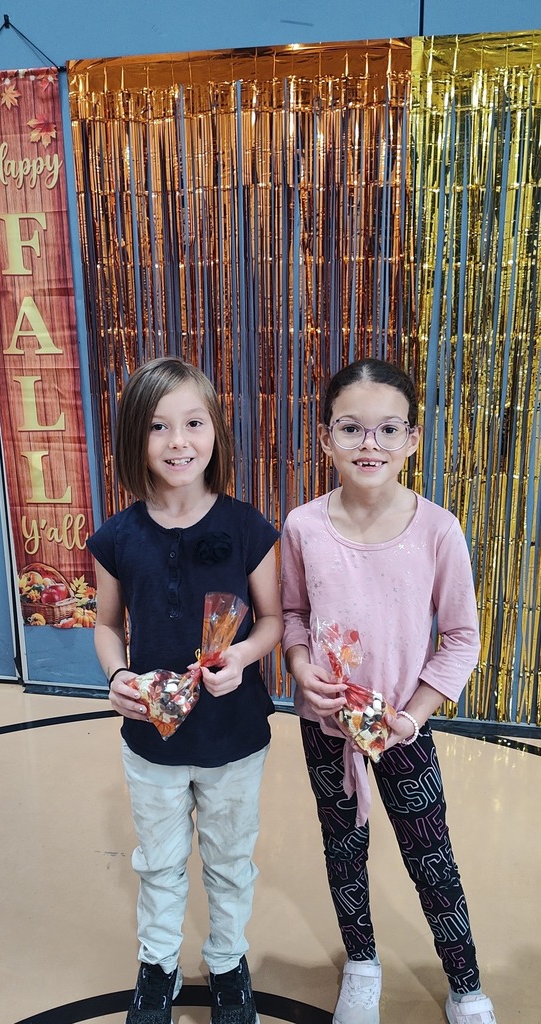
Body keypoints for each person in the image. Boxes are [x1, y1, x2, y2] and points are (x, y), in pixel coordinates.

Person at [280, 358, 496, 1024]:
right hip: (328, 729)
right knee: (343, 851)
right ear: (325, 438)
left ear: (412, 440)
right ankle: (362, 963)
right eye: (350, 428)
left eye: (386, 429)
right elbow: (291, 614)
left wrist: (413, 717)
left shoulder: (438, 529)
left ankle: (466, 986)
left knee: (432, 857)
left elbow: (462, 637)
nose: (368, 444)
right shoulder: (303, 527)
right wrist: (298, 665)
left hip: (402, 728)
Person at [87, 356, 282, 1024]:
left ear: (215, 432)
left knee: (230, 861)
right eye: (159, 427)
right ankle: (158, 966)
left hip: (234, 738)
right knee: (160, 862)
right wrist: (117, 677)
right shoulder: (117, 537)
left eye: (193, 423)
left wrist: (247, 656)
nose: (179, 441)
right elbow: (107, 626)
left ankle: (228, 963)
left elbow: (276, 619)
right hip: (152, 740)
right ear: (134, 440)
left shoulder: (248, 526)